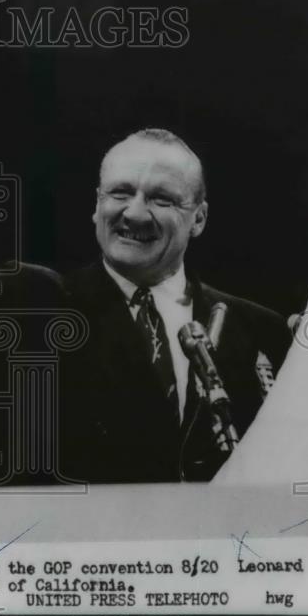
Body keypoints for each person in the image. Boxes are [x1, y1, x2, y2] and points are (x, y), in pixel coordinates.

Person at [60, 129, 292, 482]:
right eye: (120, 192)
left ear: (198, 219)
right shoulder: (47, 312)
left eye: (161, 199)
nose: (135, 213)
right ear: (96, 205)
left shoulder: (261, 330)